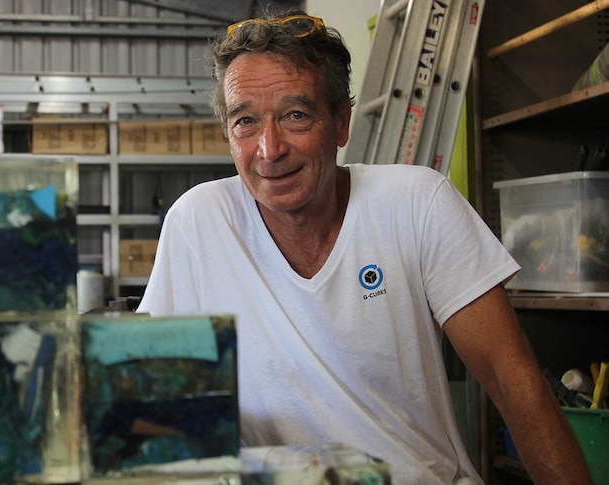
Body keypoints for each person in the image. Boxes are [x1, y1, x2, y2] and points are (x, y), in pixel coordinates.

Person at [136, 9, 593, 485]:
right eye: (245, 121)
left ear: (341, 123)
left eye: (296, 116)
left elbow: (511, 379)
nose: (269, 149)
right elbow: (149, 393)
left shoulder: (416, 203)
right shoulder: (199, 222)